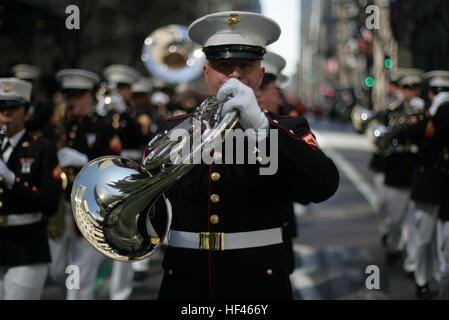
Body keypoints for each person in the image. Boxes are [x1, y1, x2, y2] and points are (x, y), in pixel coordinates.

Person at [150, 11, 339, 300]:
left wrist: (261, 127)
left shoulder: (288, 129)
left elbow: (323, 184)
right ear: (206, 73)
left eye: (246, 65)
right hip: (186, 282)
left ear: (260, 74)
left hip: (257, 284)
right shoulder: (174, 129)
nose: (235, 74)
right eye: (224, 65)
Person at [49, 69, 117, 300]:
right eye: (69, 95)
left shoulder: (102, 128)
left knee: (83, 278)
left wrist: (84, 162)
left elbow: (111, 169)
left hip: (88, 205)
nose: (72, 101)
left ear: (90, 96)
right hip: (59, 207)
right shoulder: (55, 128)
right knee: (58, 270)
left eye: (78, 95)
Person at [0, 77, 62, 299]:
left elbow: (49, 203)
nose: (5, 113)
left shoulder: (42, 149)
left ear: (27, 113)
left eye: (13, 107)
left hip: (27, 245)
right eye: (1, 107)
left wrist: (11, 180)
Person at [402, 70, 449, 298]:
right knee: (424, 238)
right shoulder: (427, 115)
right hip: (429, 184)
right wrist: (429, 115)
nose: (443, 96)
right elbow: (408, 134)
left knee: (445, 242)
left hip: (444, 186)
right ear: (431, 94)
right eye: (439, 91)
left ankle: (440, 277)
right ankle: (422, 279)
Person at [256, 51, 298, 275]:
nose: (257, 95)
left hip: (277, 223)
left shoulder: (291, 126)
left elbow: (313, 186)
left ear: (277, 93)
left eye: (263, 88)